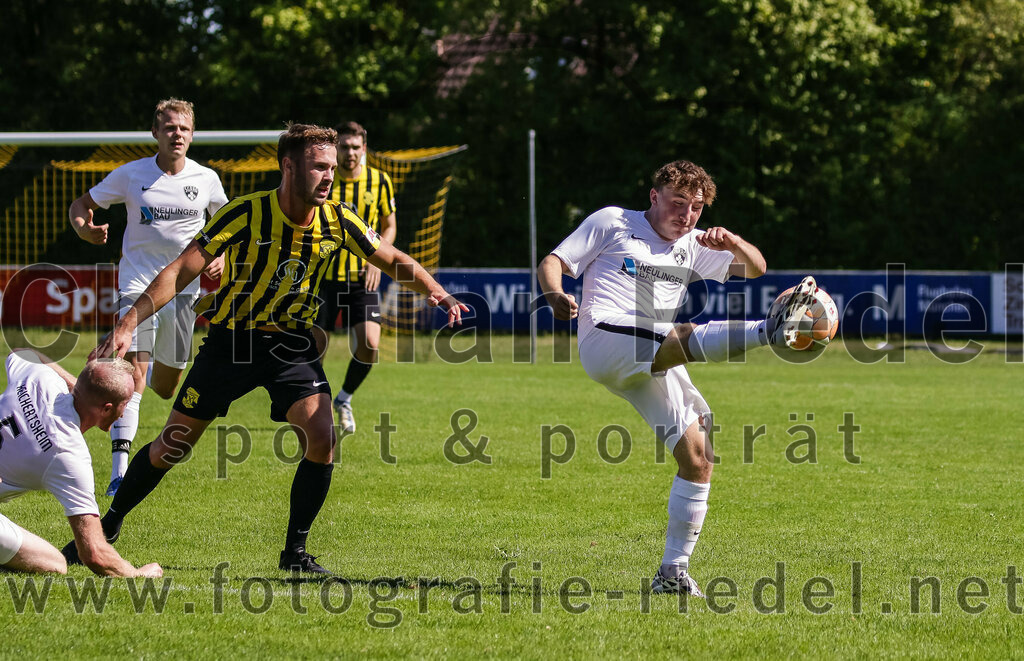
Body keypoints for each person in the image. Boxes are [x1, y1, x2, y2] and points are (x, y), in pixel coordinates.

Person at [68, 124, 467, 575]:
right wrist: (127, 322)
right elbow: (180, 271)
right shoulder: (245, 213)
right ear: (289, 166)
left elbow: (392, 259)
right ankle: (108, 527)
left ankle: (295, 554)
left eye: (332, 167)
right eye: (319, 166)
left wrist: (437, 291)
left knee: (323, 437)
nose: (329, 176)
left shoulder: (338, 218)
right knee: (172, 446)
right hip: (231, 343)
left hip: (293, 346)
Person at [537, 159, 820, 597]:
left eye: (696, 207)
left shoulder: (694, 244)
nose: (686, 215)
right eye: (678, 203)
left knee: (700, 455)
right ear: (654, 197)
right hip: (606, 337)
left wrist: (733, 242)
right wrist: (555, 292)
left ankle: (672, 573)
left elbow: (757, 267)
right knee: (674, 335)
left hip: (650, 356)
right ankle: (769, 332)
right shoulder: (613, 222)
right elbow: (554, 261)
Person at [68, 98, 228, 497]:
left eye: (184, 129)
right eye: (170, 128)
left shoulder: (206, 179)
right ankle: (119, 473)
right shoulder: (130, 175)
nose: (177, 135)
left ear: (193, 135)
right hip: (136, 287)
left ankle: (157, 374)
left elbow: (230, 228)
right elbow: (81, 205)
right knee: (135, 373)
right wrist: (84, 229)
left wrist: (222, 257)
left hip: (183, 292)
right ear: (156, 133)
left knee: (166, 385)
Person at [0, 349, 162, 577]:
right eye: (125, 404)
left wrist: (77, 385)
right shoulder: (68, 453)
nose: (125, 411)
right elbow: (94, 554)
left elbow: (22, 352)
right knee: (55, 563)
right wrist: (140, 573)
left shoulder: (40, 378)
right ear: (107, 409)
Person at [314, 121, 397, 433]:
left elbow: (389, 225)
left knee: (371, 344)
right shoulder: (325, 179)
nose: (349, 153)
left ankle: (344, 398)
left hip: (363, 279)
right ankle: (314, 403)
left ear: (364, 149)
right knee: (316, 348)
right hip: (322, 278)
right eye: (344, 147)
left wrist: (379, 259)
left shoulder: (380, 180)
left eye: (355, 147)